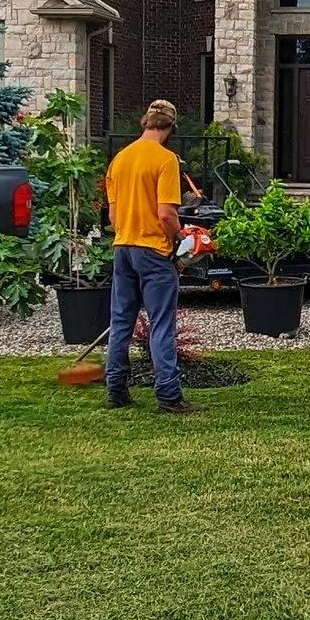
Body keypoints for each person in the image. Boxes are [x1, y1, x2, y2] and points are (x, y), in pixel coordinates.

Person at [102, 100, 202, 414]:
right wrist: (185, 235)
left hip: (123, 249)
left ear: (145, 122)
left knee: (121, 323)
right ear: (170, 127)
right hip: (153, 253)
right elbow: (166, 214)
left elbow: (114, 216)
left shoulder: (120, 159)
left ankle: (116, 390)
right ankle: (169, 396)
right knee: (161, 325)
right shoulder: (166, 159)